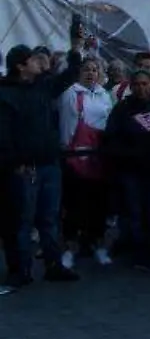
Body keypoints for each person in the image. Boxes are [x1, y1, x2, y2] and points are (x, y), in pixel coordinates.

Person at [0, 40, 84, 286]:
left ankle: (53, 264)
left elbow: (69, 75)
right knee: (22, 221)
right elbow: (3, 135)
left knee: (50, 217)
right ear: (20, 65)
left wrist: (76, 48)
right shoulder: (5, 94)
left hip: (49, 164)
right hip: (24, 168)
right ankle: (21, 269)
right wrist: (15, 162)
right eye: (34, 59)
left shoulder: (43, 86)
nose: (40, 62)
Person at [103, 69, 150, 271]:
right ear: (131, 86)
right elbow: (111, 137)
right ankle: (139, 252)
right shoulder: (122, 109)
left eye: (145, 84)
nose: (141, 88)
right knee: (134, 212)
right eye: (137, 84)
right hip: (131, 170)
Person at [59, 56, 116, 268]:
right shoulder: (70, 94)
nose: (91, 73)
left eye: (95, 69)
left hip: (98, 157)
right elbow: (66, 127)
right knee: (74, 205)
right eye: (86, 69)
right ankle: (69, 249)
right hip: (76, 158)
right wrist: (69, 154)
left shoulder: (104, 95)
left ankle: (98, 245)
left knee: (98, 205)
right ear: (79, 72)